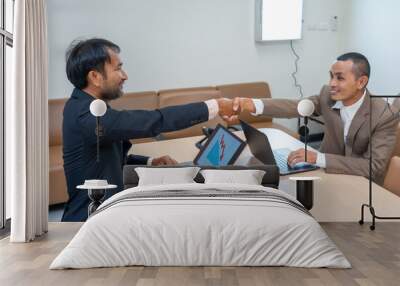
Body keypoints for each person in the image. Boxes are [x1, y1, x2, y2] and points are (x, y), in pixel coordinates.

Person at [62, 38, 234, 221]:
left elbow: (108, 159)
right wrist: (215, 107)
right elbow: (154, 121)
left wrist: (151, 161)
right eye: (118, 68)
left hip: (105, 214)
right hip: (87, 221)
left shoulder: (89, 107)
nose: (124, 76)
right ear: (95, 77)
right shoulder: (86, 113)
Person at [230, 52, 399, 185]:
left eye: (339, 78)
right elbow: (296, 107)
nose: (332, 83)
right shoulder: (328, 94)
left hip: (362, 186)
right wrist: (252, 104)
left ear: (361, 82)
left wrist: (317, 158)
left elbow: (373, 167)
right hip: (326, 177)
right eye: (331, 76)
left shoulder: (384, 115)